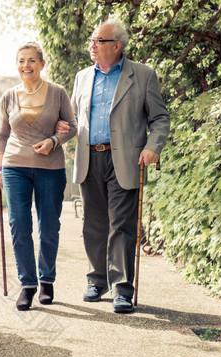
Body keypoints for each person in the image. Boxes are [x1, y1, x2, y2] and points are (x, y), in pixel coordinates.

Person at [71, 20, 170, 313]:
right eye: (92, 39)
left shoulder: (142, 75)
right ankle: (97, 279)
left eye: (98, 40)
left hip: (125, 158)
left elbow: (160, 118)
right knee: (93, 224)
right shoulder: (82, 77)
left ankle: (122, 288)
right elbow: (77, 118)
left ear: (117, 45)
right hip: (90, 157)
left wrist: (153, 146)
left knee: (122, 225)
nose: (92, 45)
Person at [0, 42, 76, 311]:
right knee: (19, 225)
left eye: (31, 60)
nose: (25, 65)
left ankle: (47, 279)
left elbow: (72, 128)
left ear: (41, 64)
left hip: (50, 167)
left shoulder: (58, 93)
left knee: (49, 226)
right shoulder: (8, 96)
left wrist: (53, 141)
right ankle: (27, 285)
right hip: (15, 166)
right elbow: (2, 136)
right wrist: (0, 167)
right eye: (21, 61)